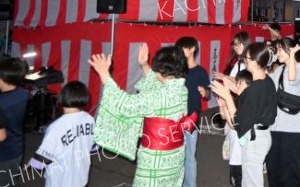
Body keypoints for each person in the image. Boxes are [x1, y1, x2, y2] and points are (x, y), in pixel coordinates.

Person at [89, 44, 191, 187]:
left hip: (156, 159)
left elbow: (124, 104)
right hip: (175, 155)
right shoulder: (181, 89)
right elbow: (158, 83)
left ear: (161, 70)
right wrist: (144, 65)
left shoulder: (159, 97)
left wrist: (104, 74)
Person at [211, 43, 278, 187]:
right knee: (252, 179)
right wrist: (234, 89)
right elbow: (251, 101)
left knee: (251, 182)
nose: (244, 60)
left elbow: (237, 123)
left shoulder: (256, 88)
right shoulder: (266, 81)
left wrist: (227, 97)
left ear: (255, 61)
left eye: (246, 58)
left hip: (255, 139)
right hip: (261, 135)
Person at [28, 81, 95, 187]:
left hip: (59, 181)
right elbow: (94, 147)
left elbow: (39, 163)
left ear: (62, 98)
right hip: (81, 178)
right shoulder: (90, 119)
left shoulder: (57, 127)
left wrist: (29, 165)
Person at [265, 38, 300, 187]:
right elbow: (264, 83)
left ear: (291, 50)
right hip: (274, 128)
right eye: (277, 49)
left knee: (289, 175)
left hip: (291, 130)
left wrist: (292, 57)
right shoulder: (278, 69)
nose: (278, 52)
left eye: (281, 49)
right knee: (273, 171)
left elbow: (292, 78)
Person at [176, 36, 210, 187]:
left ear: (192, 49)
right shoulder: (177, 71)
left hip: (191, 120)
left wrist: (205, 92)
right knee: (175, 156)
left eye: (183, 48)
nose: (180, 52)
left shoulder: (200, 71)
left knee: (189, 156)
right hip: (175, 119)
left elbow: (208, 94)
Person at [219, 69, 253, 187]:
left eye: (240, 83)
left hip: (241, 156)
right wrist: (223, 105)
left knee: (239, 182)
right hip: (237, 154)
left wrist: (226, 101)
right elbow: (226, 118)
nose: (237, 86)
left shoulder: (248, 103)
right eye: (237, 82)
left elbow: (234, 125)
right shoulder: (241, 101)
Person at [0, 57, 29, 187]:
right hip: (16, 148)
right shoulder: (23, 94)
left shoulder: (2, 103)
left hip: (3, 155)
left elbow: (1, 136)